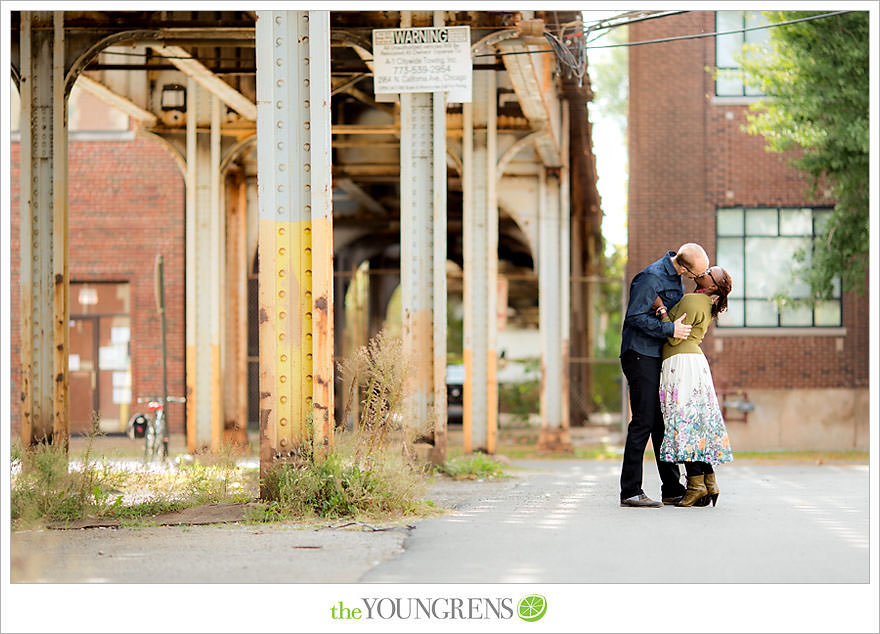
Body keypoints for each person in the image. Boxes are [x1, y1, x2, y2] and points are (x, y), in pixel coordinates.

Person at [619, 244, 710, 508]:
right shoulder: (650, 277)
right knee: (643, 421)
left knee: (662, 424)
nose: (695, 280)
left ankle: (671, 489)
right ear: (683, 267)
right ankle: (630, 491)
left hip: (655, 355)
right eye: (695, 276)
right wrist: (669, 328)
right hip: (639, 354)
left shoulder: (673, 276)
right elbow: (634, 316)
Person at [654, 265, 734, 507]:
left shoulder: (692, 300)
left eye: (712, 272)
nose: (706, 270)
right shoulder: (706, 304)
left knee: (685, 423)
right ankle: (709, 482)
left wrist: (660, 310)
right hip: (693, 362)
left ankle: (696, 485)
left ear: (712, 286)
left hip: (681, 362)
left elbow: (673, 336)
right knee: (696, 422)